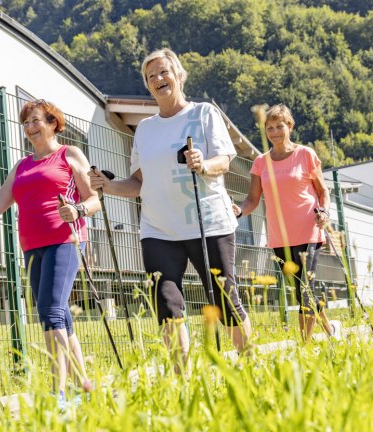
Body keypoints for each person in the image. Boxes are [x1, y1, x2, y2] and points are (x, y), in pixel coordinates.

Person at [89, 48, 252, 371]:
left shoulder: (203, 113)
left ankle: (250, 366)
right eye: (151, 76)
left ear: (179, 76)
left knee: (224, 300)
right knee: (166, 303)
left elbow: (224, 161)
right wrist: (108, 186)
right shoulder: (146, 129)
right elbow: (138, 183)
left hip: (208, 223)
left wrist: (203, 165)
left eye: (164, 72)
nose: (158, 79)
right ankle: (181, 380)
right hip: (159, 230)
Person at [0, 100, 98, 407]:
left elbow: (93, 199)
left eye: (36, 120)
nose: (30, 127)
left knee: (51, 312)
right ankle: (83, 388)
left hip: (65, 240)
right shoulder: (22, 166)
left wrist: (78, 210)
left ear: (53, 123)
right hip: (32, 246)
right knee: (59, 314)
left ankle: (58, 395)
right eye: (25, 123)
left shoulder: (69, 154)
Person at [233, 104, 338, 342]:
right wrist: (239, 211)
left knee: (305, 289)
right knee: (301, 289)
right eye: (269, 128)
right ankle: (330, 330)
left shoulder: (306, 155)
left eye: (279, 126)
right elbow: (252, 199)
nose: (274, 132)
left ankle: (304, 347)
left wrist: (324, 211)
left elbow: (323, 192)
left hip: (308, 229)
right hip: (279, 236)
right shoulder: (260, 162)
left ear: (290, 126)